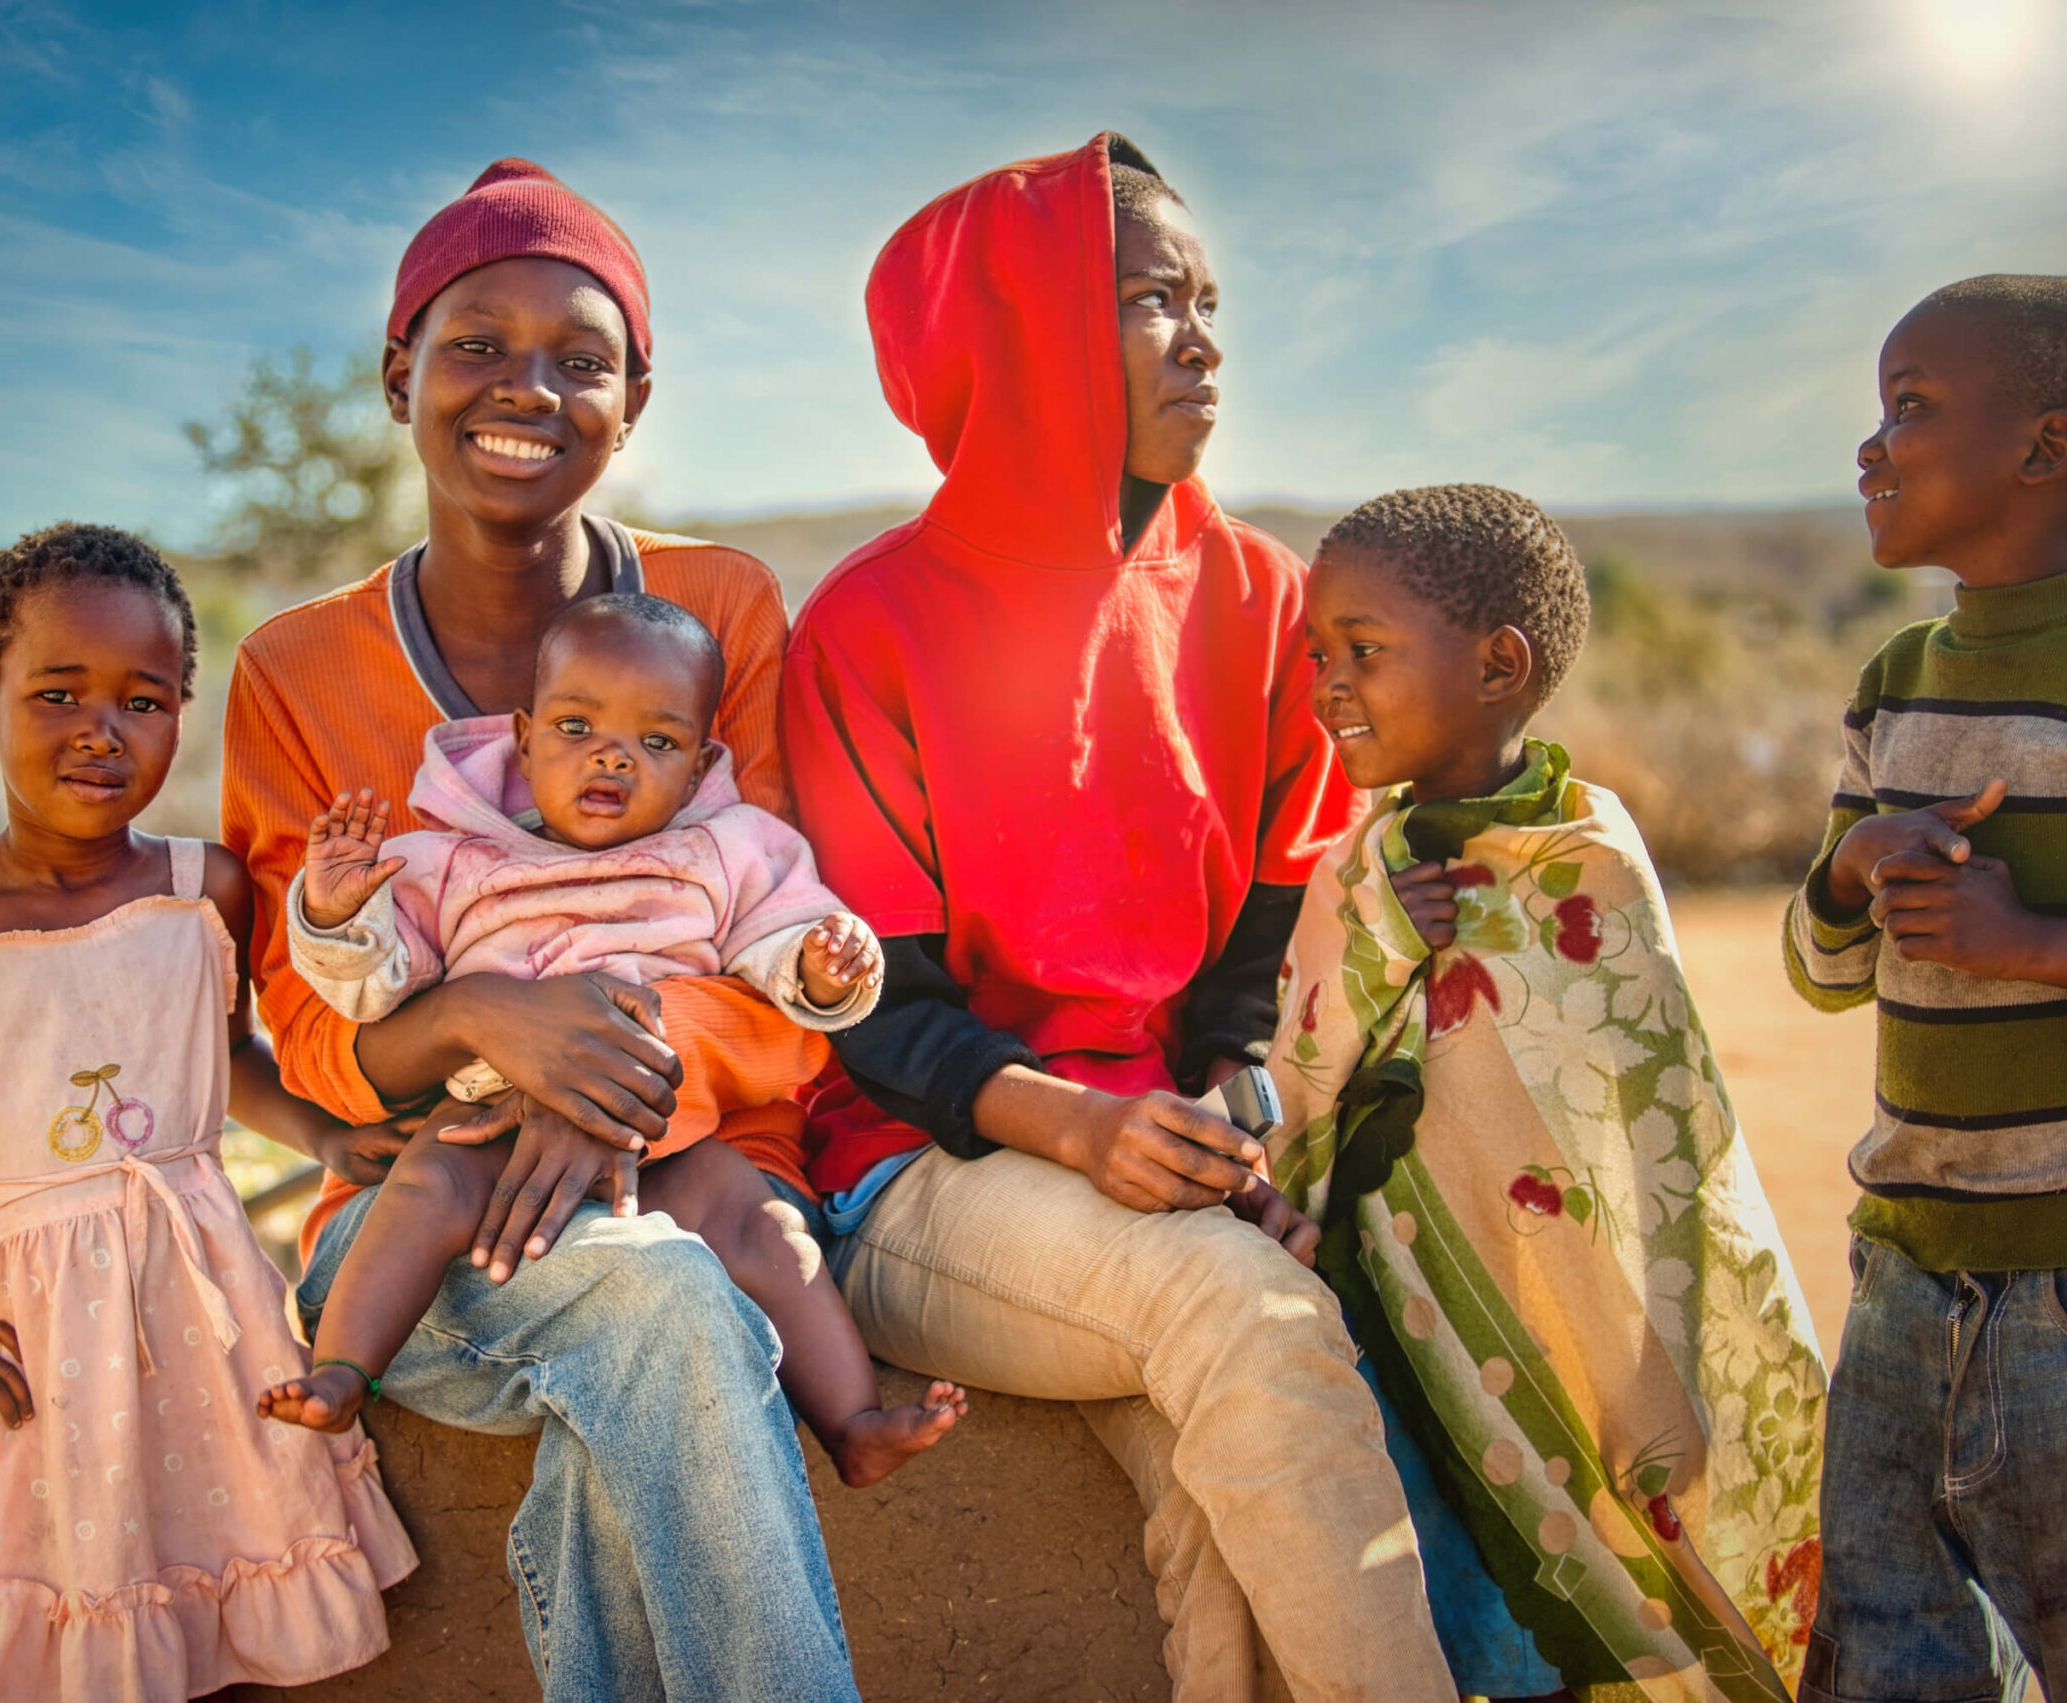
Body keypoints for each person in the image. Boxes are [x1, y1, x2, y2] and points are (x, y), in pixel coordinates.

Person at [782, 132, 1453, 1699]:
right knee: (1257, 1318)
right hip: (928, 1177)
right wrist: (1087, 1132)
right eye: (1157, 300)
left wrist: (1238, 1135)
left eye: (1212, 297)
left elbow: (1245, 977)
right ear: (1017, 335)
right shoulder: (872, 621)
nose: (1206, 339)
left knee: (1222, 1497)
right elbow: (874, 1018)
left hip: (1162, 1167)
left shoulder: (1264, 596)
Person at [221, 158, 862, 1701]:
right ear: (399, 377)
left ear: (635, 399)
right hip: (434, 1236)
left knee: (657, 1304)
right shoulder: (299, 672)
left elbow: (781, 962)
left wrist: (616, 1066)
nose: (527, 387)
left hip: (707, 1185)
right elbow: (315, 1037)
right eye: (476, 345)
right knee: (654, 1304)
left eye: (580, 357)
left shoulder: (720, 611)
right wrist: (480, 1024)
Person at [0, 524, 416, 1703]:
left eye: (143, 700)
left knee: (229, 1599)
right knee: (82, 1617)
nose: (101, 728)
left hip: (210, 1311)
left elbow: (227, 1058)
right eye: (56, 692)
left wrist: (322, 1134)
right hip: (38, 1343)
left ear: (180, 714)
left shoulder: (200, 886)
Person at [1270, 484, 1828, 1699]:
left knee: (1602, 1584)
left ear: (1498, 663)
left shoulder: (1590, 856)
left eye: (1360, 652)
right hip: (1400, 1315)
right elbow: (1298, 1079)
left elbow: (1658, 1125)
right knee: (1469, 1606)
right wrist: (1372, 939)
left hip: (1566, 1310)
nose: (1326, 685)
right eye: (1319, 655)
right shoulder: (1358, 863)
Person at [258, 592, 967, 1486]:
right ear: (522, 737)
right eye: (576, 725)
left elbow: (787, 943)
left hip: (665, 1127)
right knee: (427, 1180)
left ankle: (854, 1421)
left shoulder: (727, 849)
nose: (612, 755)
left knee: (765, 1223)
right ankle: (341, 1369)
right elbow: (372, 984)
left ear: (702, 761)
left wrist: (826, 966)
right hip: (496, 1118)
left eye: (657, 742)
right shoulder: (456, 861)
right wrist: (333, 908)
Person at [1784, 275, 2067, 1703]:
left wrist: (2029, 945)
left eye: (1912, 406)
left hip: (2061, 1273)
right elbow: (1826, 967)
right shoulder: (1894, 683)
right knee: (1889, 1636)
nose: (1871, 445)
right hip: (1903, 1256)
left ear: (2045, 447)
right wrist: (1850, 879)